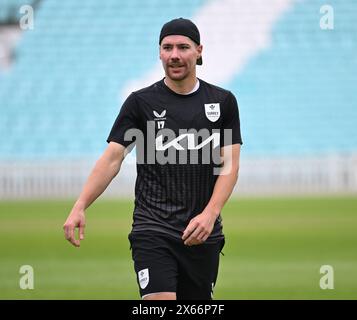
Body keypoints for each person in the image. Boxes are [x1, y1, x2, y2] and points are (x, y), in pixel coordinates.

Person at [63, 17, 242, 300]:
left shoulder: (223, 102)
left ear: (199, 51)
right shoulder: (141, 103)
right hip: (153, 228)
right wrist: (80, 205)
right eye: (167, 47)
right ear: (159, 52)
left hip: (202, 232)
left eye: (183, 47)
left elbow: (229, 166)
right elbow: (112, 158)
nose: (174, 55)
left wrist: (210, 214)